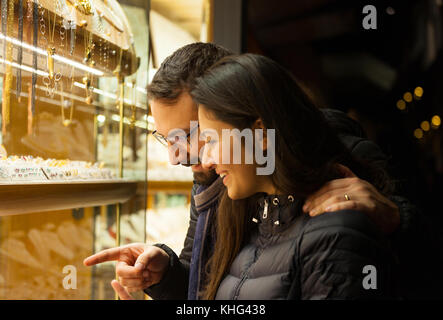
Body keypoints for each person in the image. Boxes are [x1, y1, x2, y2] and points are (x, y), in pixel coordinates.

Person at [83, 43, 429, 299]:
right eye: (165, 138)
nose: (179, 156)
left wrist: (396, 217)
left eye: (192, 135)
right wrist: (165, 273)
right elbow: (209, 280)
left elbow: (403, 253)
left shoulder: (331, 167)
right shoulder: (222, 178)